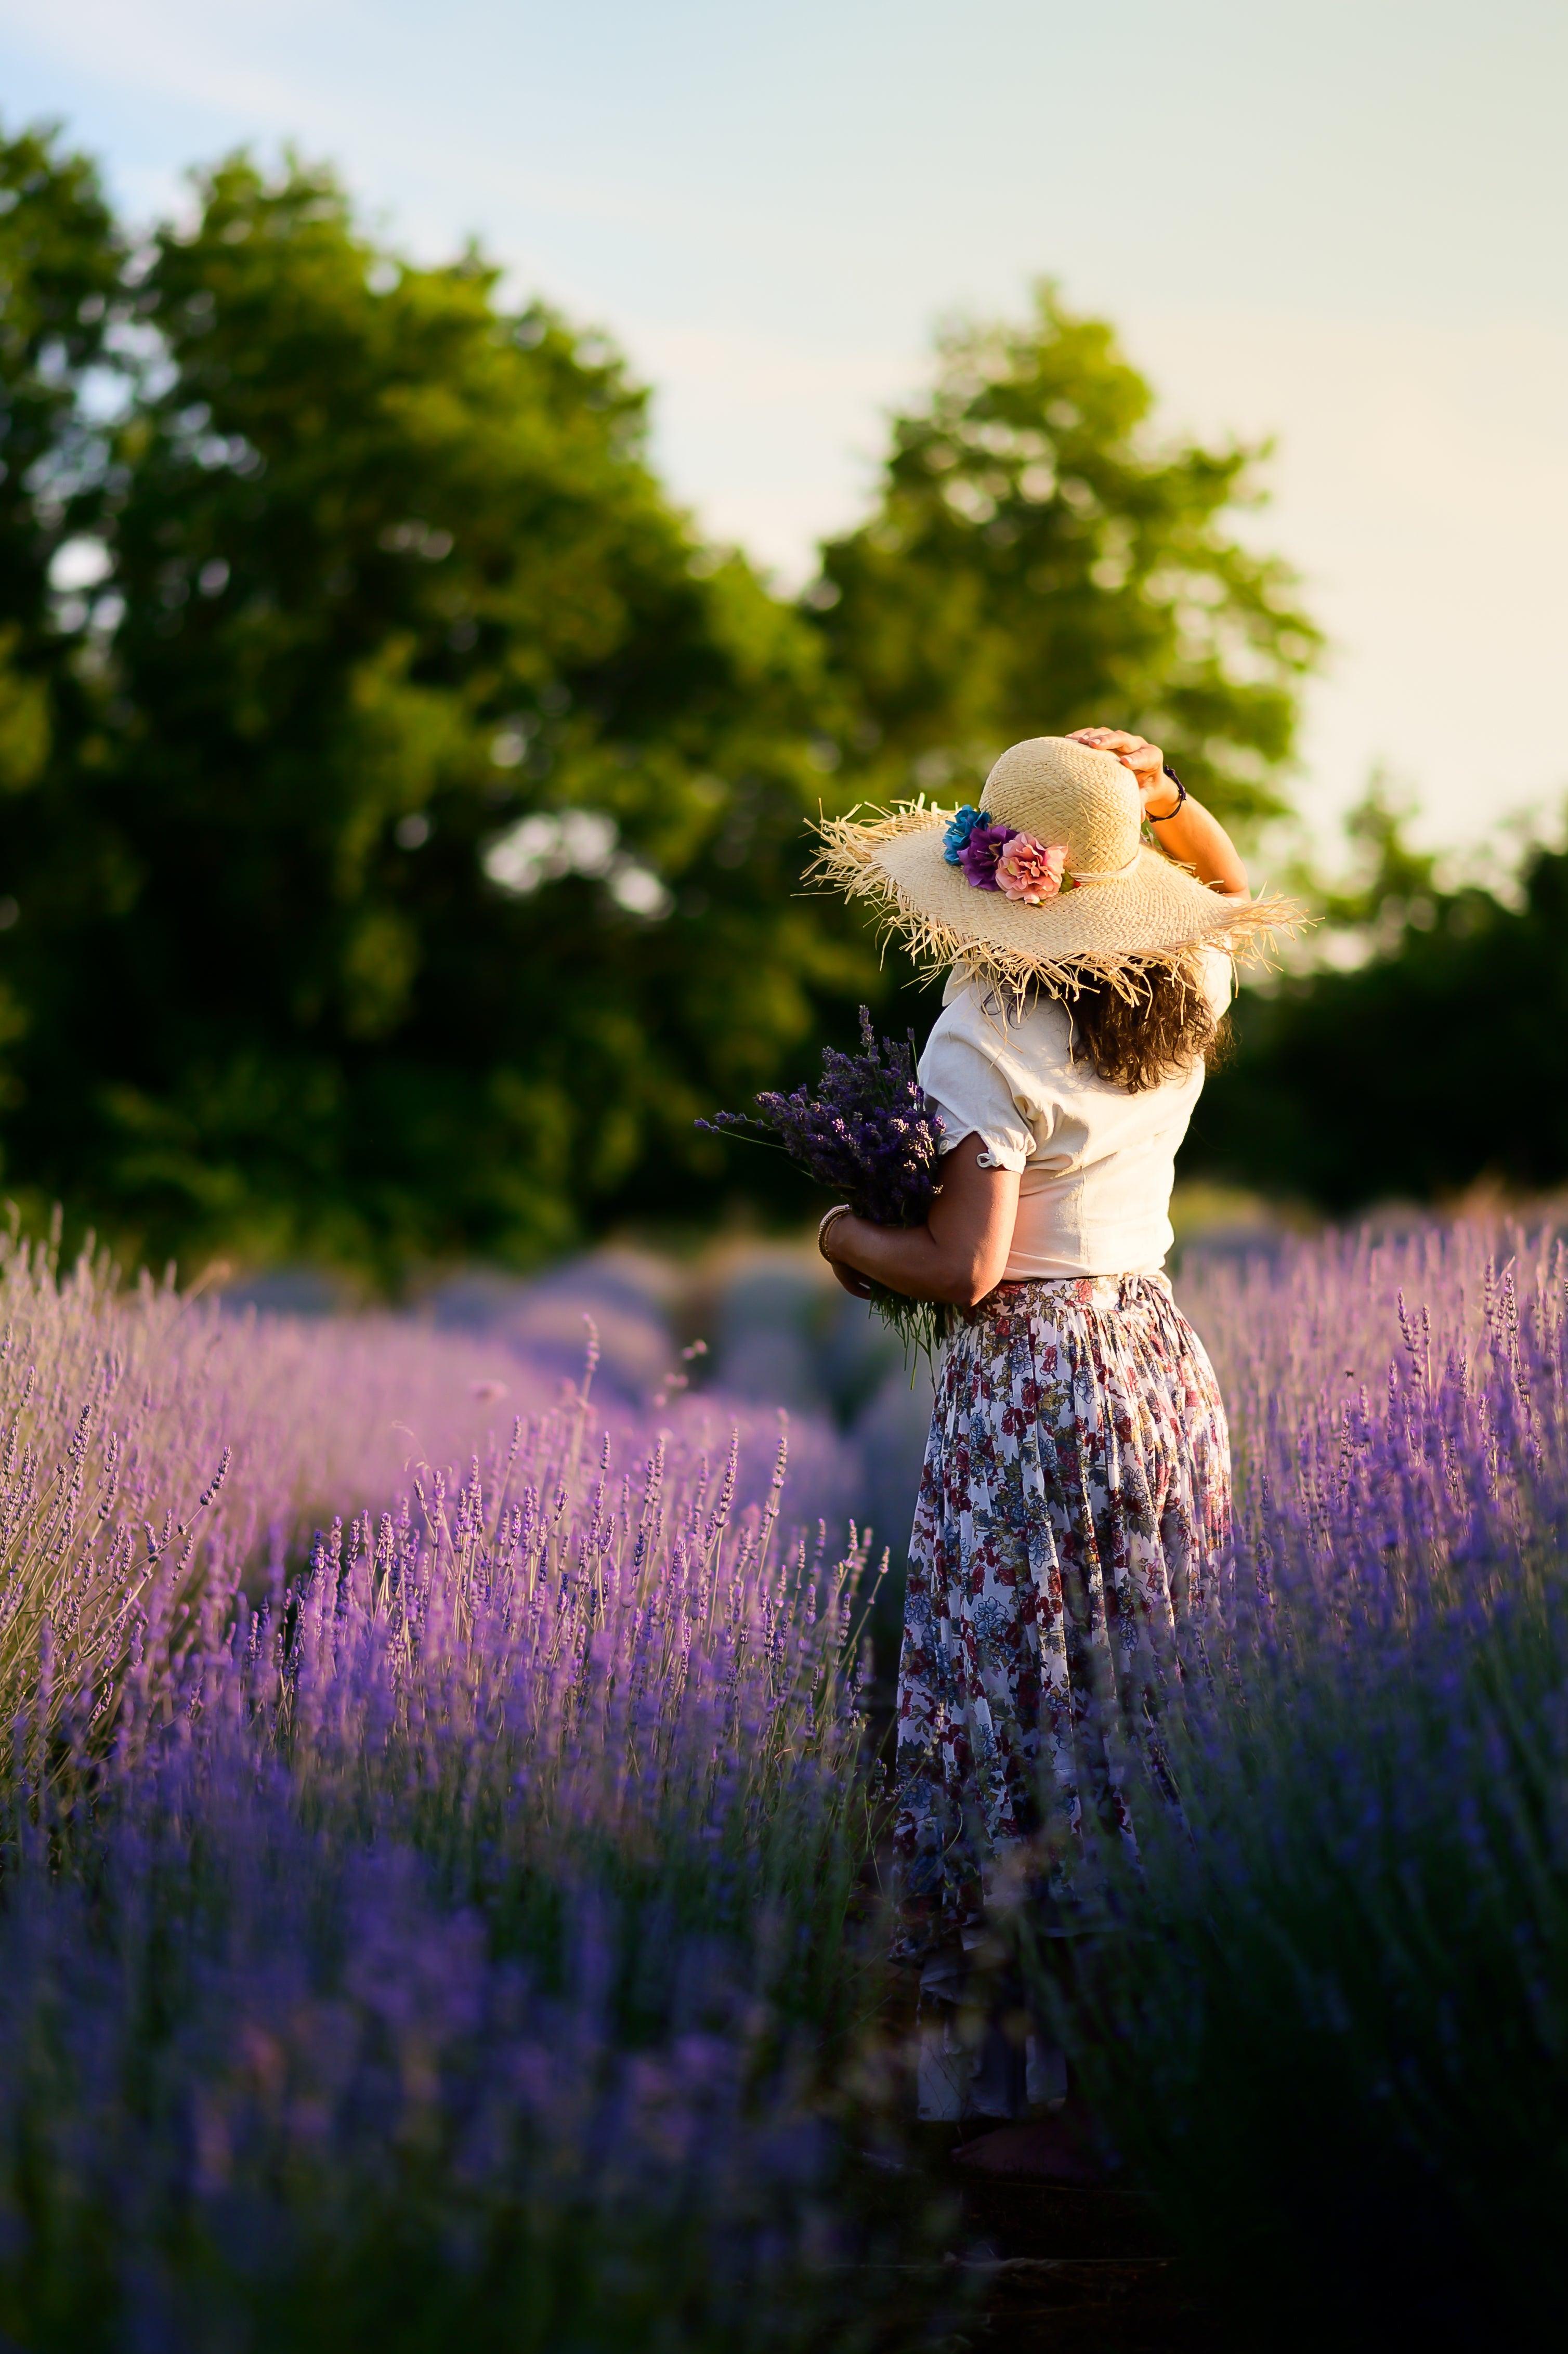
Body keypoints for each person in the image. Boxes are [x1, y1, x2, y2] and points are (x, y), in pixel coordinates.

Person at [811, 727, 1301, 2130]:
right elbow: (1232, 887)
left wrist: (843, 1232)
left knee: (1013, 1702)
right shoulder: (1182, 974)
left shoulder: (984, 1024)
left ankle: (1027, 2091)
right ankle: (1148, 2067)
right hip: (1153, 1359)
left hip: (1033, 1385)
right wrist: (1172, 802)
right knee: (1135, 1697)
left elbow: (966, 1269)